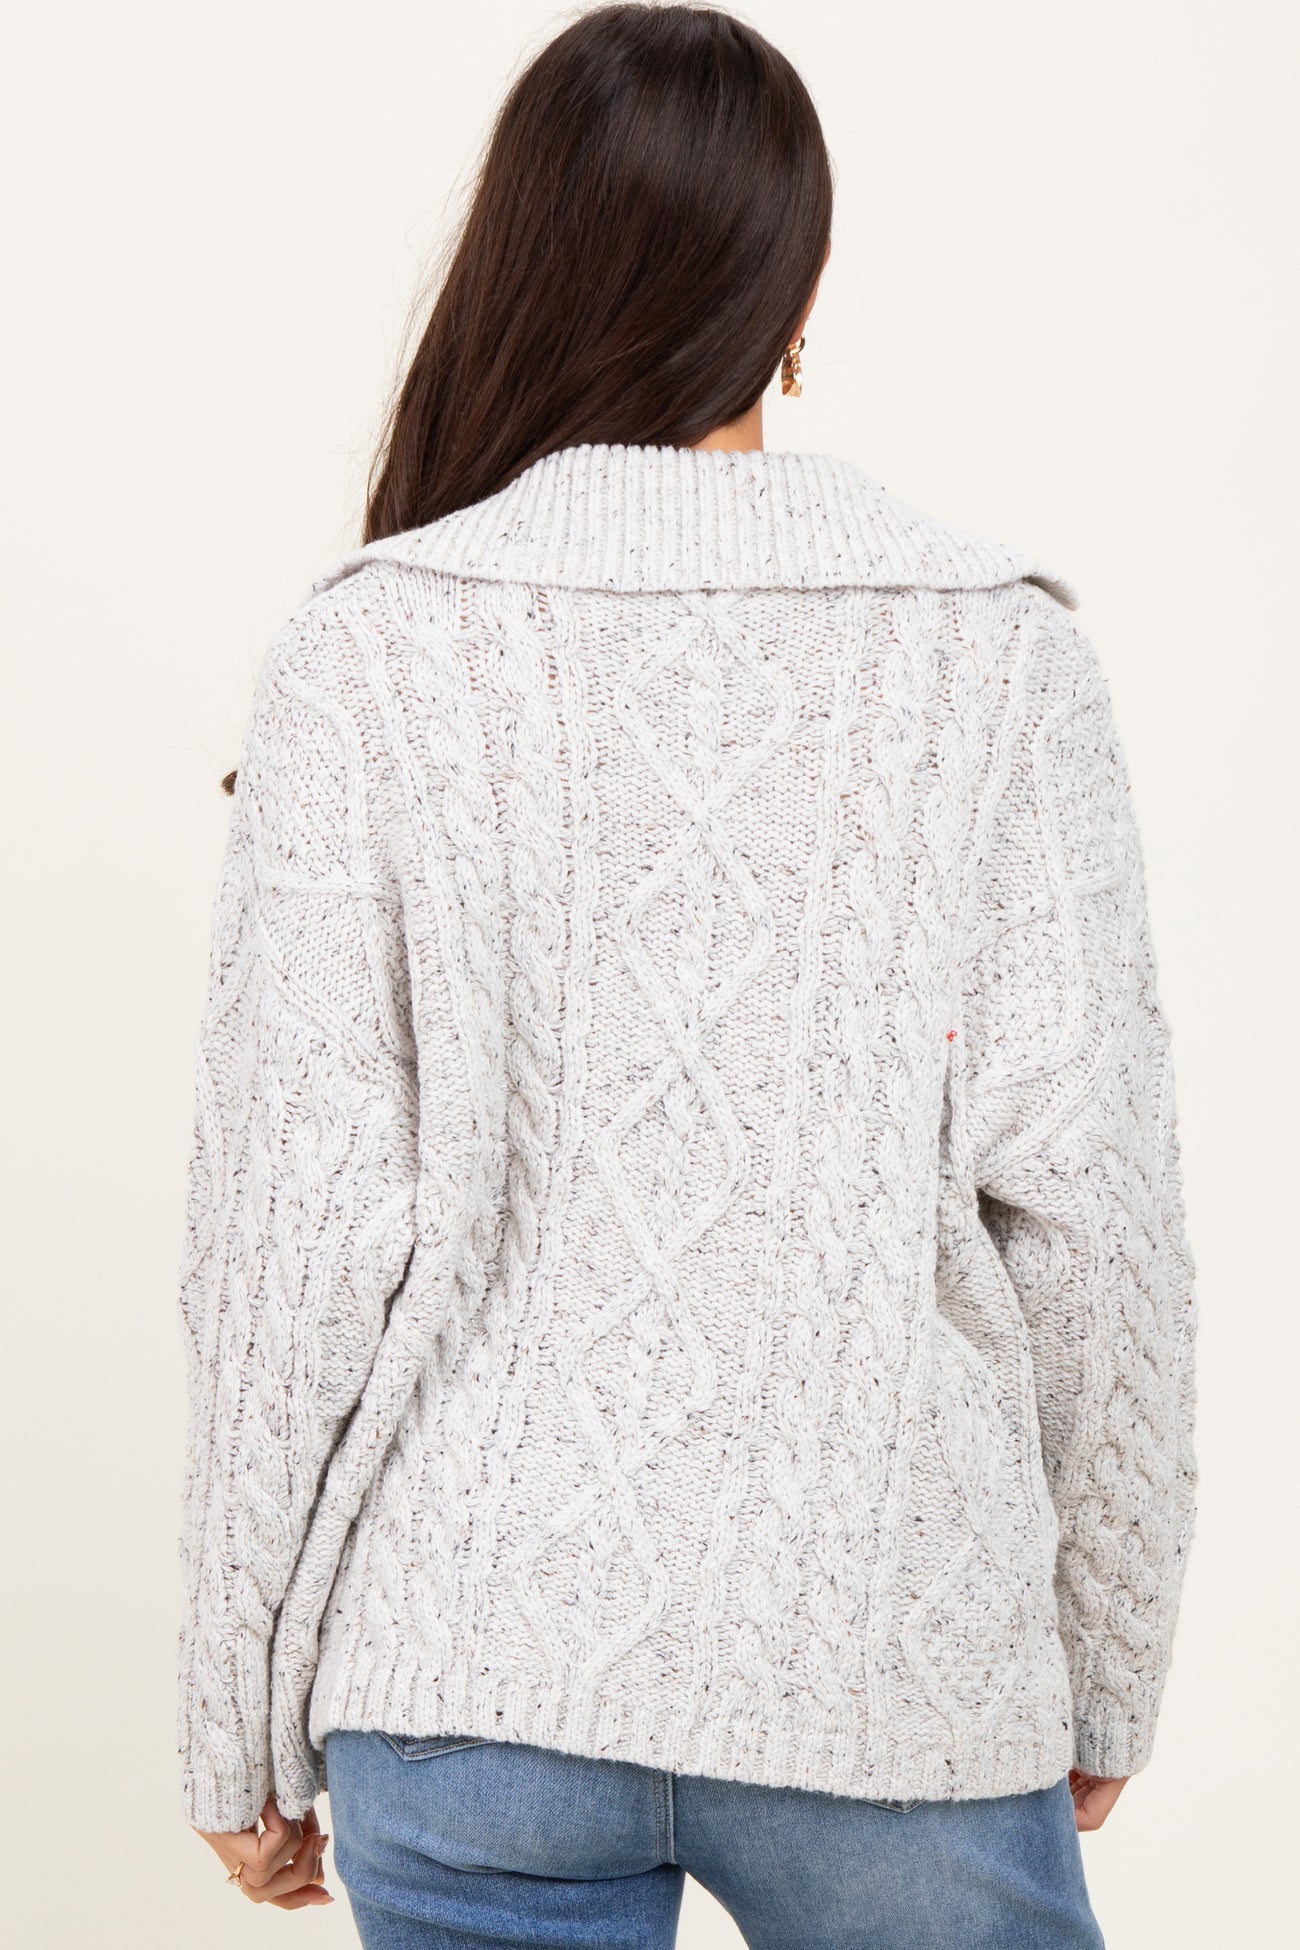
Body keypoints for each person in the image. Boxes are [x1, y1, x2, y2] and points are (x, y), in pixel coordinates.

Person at [175, 5, 1198, 1945]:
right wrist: (1100, 1659)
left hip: (468, 1665)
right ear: (792, 296)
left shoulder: (365, 654)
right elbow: (1096, 1221)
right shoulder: (994, 656)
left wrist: (233, 1708)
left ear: (518, 262)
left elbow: (289, 1244)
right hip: (889, 1652)